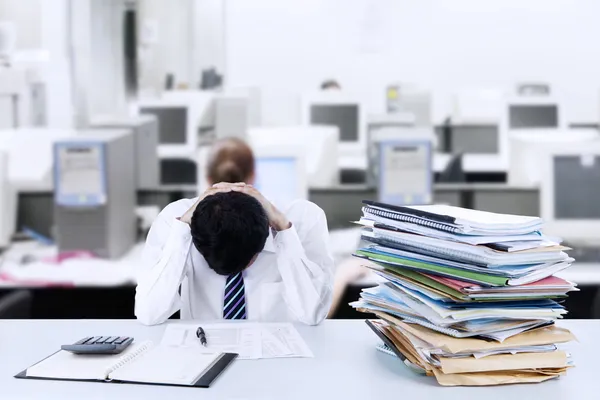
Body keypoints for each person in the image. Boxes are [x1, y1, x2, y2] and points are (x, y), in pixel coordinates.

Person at [135, 145, 334, 326]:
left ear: (264, 235)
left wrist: (284, 233)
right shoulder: (175, 220)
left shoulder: (303, 219)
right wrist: (181, 231)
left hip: (276, 356)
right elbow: (148, 313)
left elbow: (313, 314)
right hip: (203, 351)